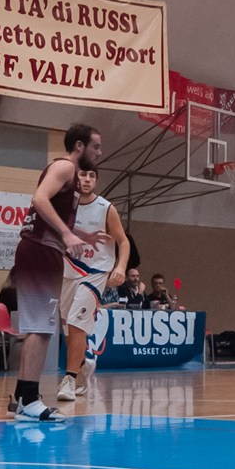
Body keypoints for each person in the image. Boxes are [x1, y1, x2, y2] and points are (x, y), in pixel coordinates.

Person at [8, 123, 107, 422]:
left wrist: (79, 234)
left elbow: (50, 211)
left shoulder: (69, 175)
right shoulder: (65, 167)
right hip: (40, 250)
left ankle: (22, 397)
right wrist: (66, 234)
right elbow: (39, 199)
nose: (99, 152)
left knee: (38, 327)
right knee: (41, 328)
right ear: (79, 146)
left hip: (42, 250)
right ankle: (28, 400)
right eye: (96, 146)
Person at [58, 164, 130, 401]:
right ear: (75, 178)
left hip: (96, 272)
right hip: (69, 270)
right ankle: (84, 364)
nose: (87, 179)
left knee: (77, 323)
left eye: (92, 176)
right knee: (69, 329)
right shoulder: (65, 206)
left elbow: (124, 241)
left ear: (96, 181)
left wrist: (120, 267)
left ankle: (69, 380)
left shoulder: (106, 208)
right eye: (83, 174)